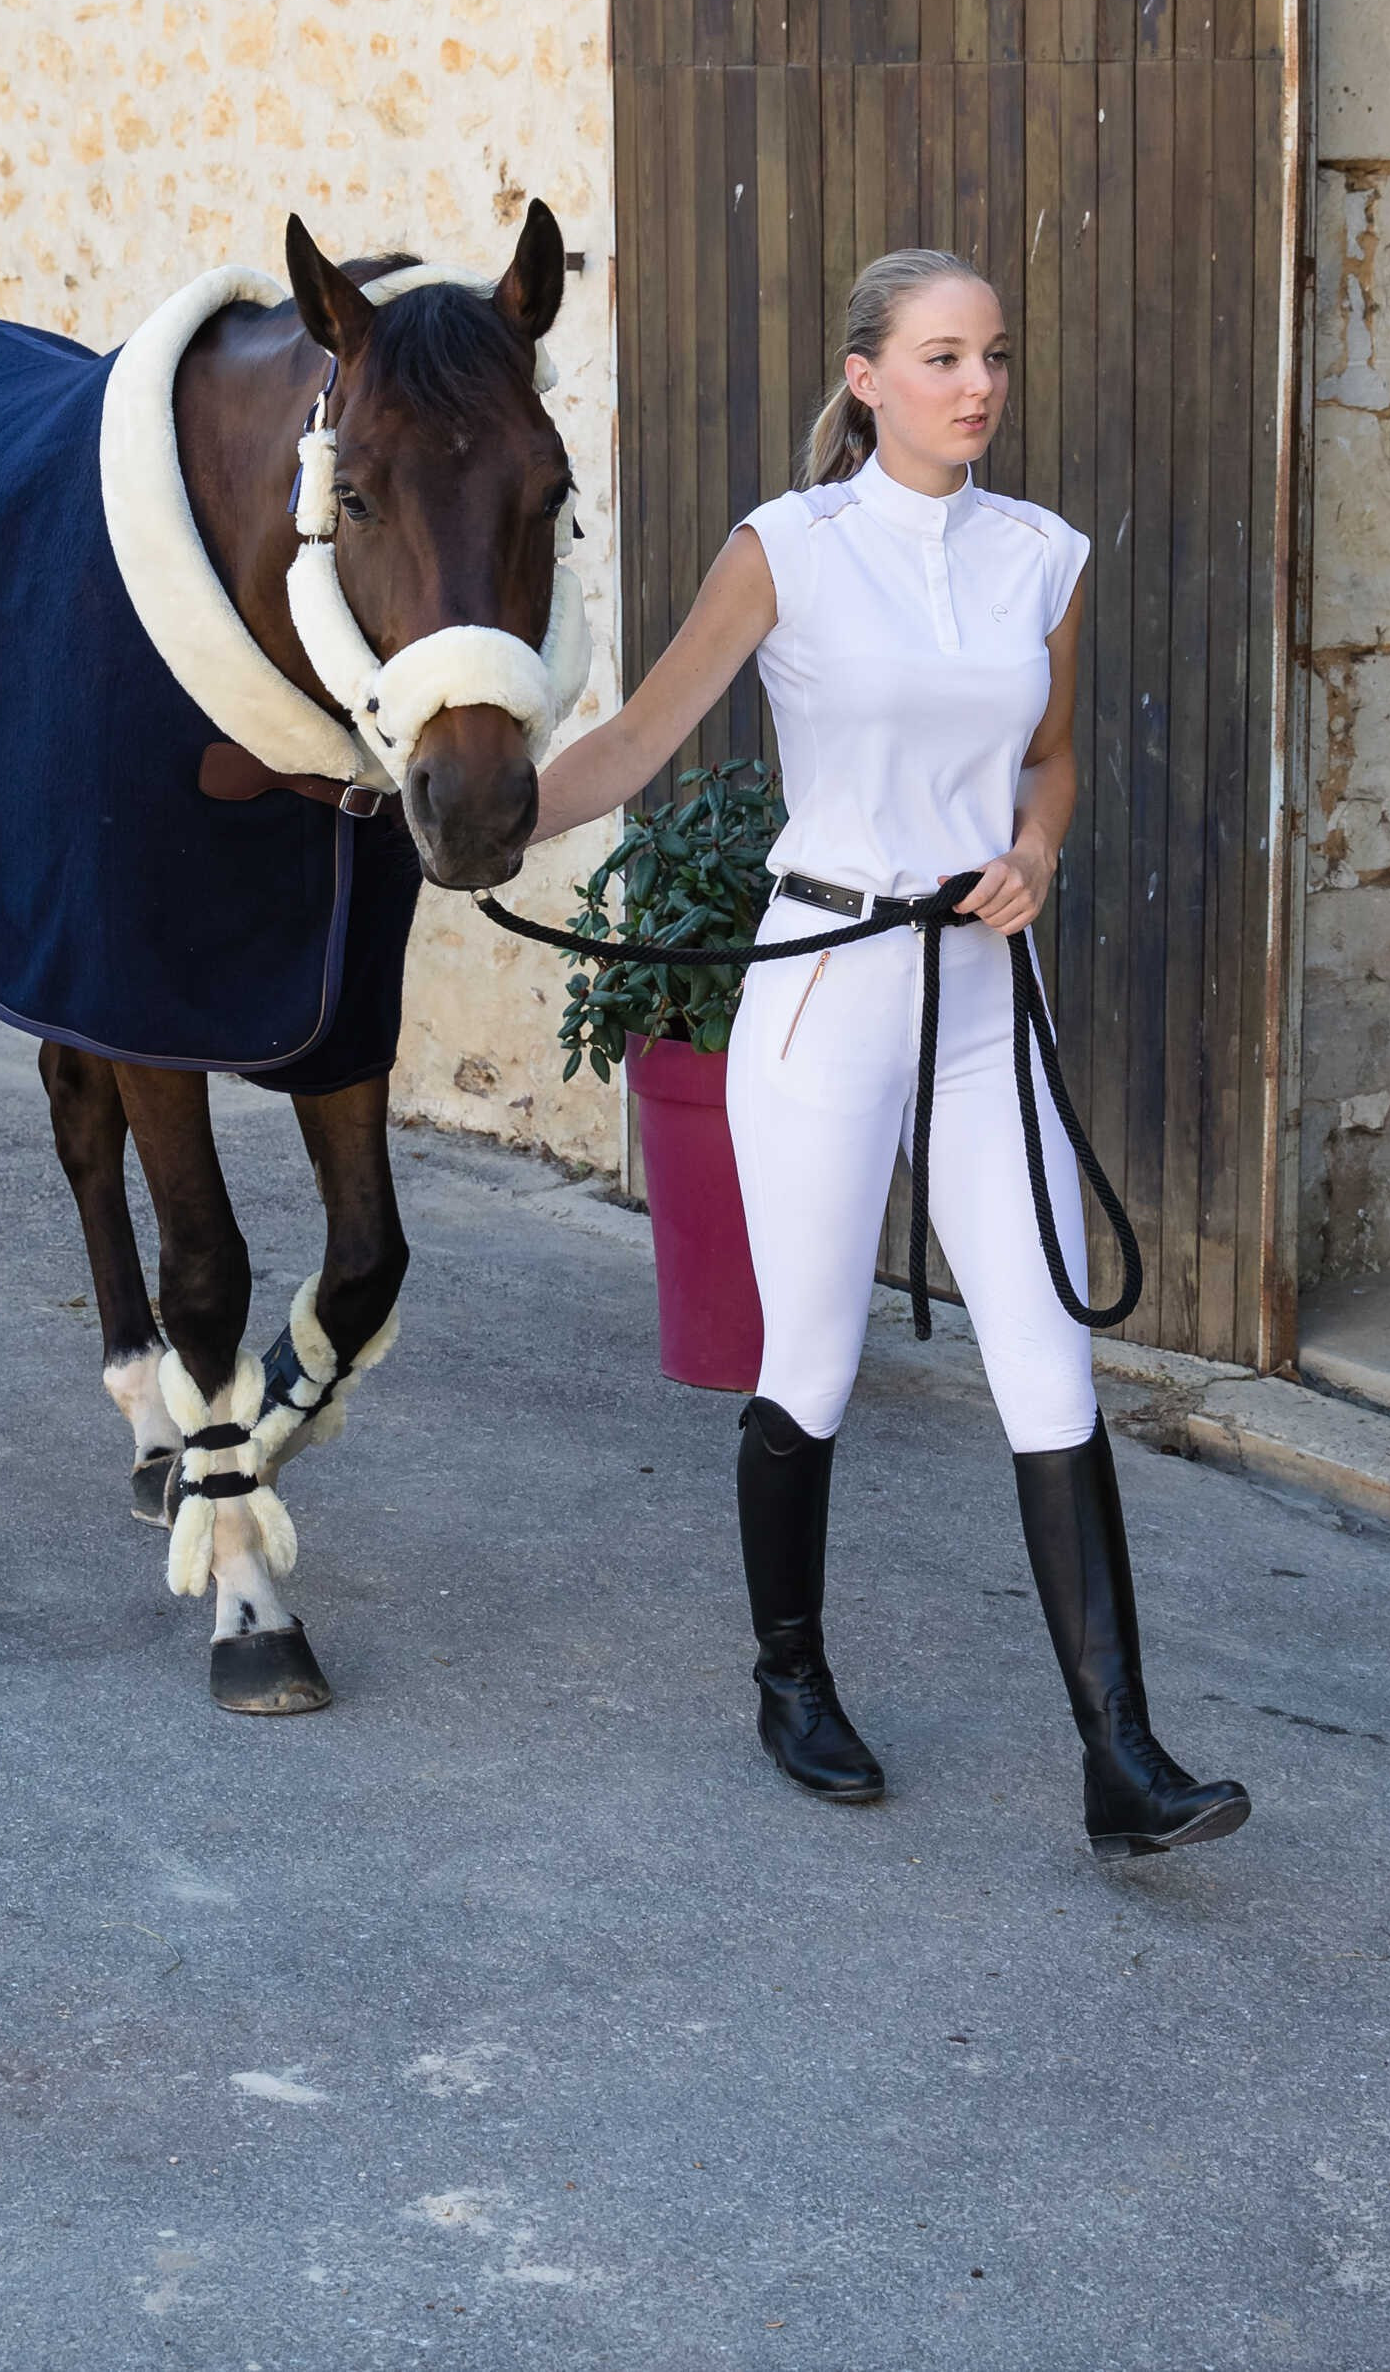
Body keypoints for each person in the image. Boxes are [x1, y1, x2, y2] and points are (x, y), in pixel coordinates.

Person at [528, 248, 1249, 1859]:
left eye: (994, 355)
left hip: (987, 993)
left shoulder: (1043, 557)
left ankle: (1122, 1760)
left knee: (1050, 1360)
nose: (978, 385)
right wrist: (474, 820)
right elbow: (637, 741)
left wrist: (1038, 851)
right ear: (866, 379)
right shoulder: (787, 548)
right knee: (814, 1361)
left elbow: (1049, 759)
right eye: (941, 357)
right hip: (825, 988)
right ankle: (790, 1682)